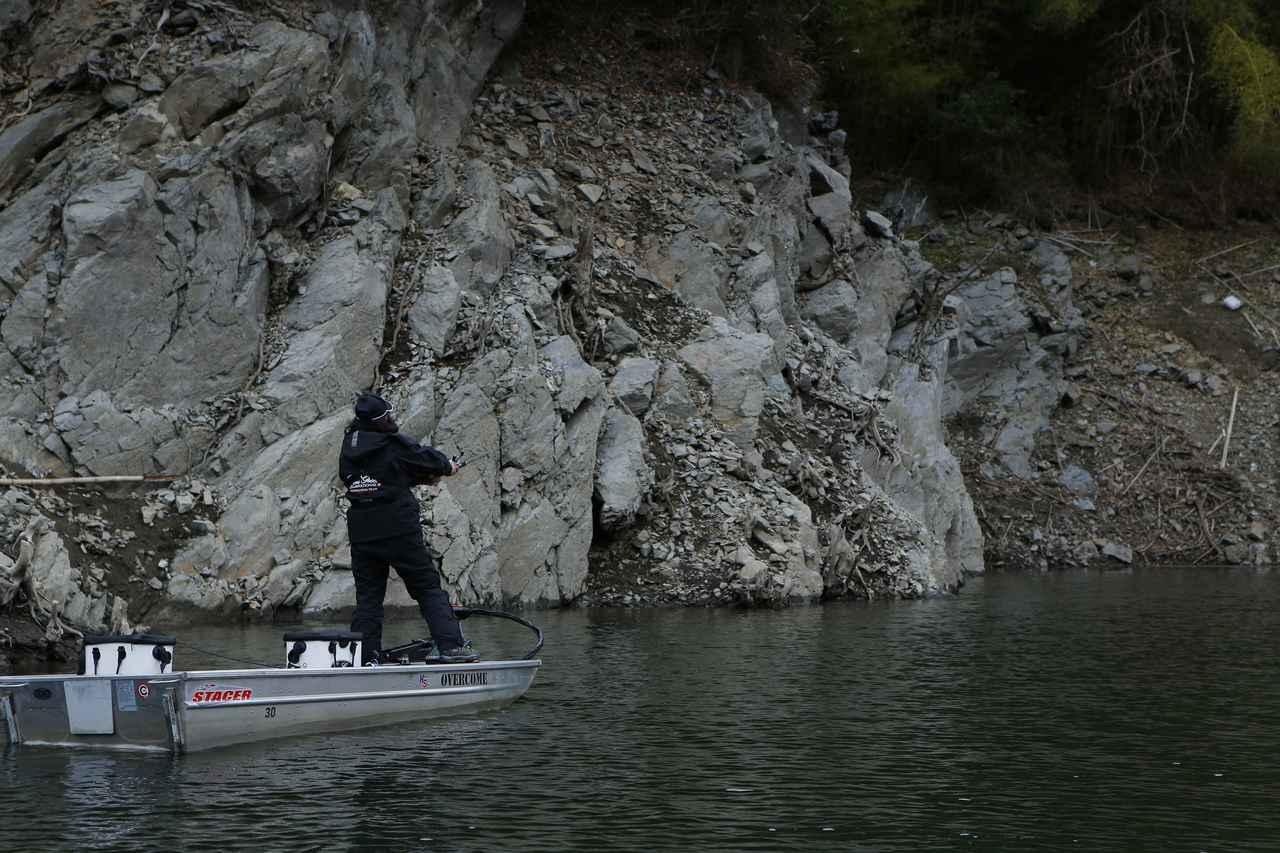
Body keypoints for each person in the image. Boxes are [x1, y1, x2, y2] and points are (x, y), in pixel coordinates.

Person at [338, 392, 477, 665]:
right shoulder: (391, 444)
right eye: (386, 416)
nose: (391, 419)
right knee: (426, 587)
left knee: (368, 600)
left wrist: (415, 480)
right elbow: (425, 457)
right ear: (377, 421)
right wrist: (448, 467)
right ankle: (451, 647)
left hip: (363, 533)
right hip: (398, 528)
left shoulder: (348, 446)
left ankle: (365, 658)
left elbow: (375, 478)